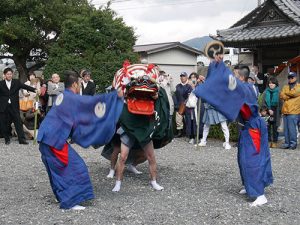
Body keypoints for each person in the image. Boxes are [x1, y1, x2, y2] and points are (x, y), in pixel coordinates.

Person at [194, 45, 273, 207]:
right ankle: (249, 185)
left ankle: (259, 194)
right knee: (243, 158)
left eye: (236, 75)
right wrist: (216, 64)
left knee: (252, 159)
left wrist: (219, 64)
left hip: (253, 128)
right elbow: (226, 82)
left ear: (242, 78)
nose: (234, 77)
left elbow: (226, 81)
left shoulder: (245, 89)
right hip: (248, 127)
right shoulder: (241, 88)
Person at [37, 71, 123, 210]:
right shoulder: (71, 98)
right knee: (76, 167)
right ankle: (70, 201)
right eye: (79, 86)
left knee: (58, 170)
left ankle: (62, 196)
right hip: (54, 140)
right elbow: (91, 103)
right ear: (75, 84)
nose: (79, 89)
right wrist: (114, 96)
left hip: (47, 137)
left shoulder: (62, 95)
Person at [0, 68, 36, 145]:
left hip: (14, 106)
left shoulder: (16, 82)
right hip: (4, 107)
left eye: (10, 74)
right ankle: (7, 138)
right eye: (7, 74)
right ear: (5, 75)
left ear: (12, 74)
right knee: (5, 123)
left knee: (18, 123)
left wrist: (35, 90)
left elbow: (25, 87)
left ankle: (22, 140)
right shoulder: (1, 83)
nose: (9, 75)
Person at [279, 72, 300, 150]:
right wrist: (289, 96)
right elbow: (281, 95)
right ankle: (287, 143)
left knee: (292, 129)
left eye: (292, 77)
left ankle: (293, 144)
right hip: (285, 111)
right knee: (286, 129)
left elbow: (295, 93)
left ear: (296, 78)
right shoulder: (285, 86)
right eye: (289, 77)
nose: (290, 79)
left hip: (294, 111)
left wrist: (286, 94)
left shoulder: (299, 86)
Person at [261, 77, 281, 148]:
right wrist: (268, 109)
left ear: (276, 84)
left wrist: (279, 111)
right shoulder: (265, 92)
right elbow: (263, 102)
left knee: (275, 127)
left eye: (272, 83)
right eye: (270, 83)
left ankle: (275, 141)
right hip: (267, 111)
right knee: (267, 127)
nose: (271, 84)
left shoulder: (279, 92)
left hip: (276, 111)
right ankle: (268, 141)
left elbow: (281, 103)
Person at [174, 72, 193, 137]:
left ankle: (188, 133)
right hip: (179, 105)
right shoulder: (177, 86)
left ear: (187, 77)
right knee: (178, 120)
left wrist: (185, 103)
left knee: (188, 119)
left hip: (187, 105)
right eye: (181, 76)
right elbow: (175, 96)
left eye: (184, 76)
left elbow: (190, 96)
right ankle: (180, 132)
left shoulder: (189, 86)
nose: (182, 77)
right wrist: (176, 104)